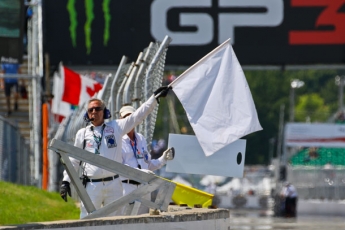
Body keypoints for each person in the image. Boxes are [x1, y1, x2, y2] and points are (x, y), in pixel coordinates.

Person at [59, 86, 171, 219]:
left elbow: (136, 117)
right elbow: (74, 160)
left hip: (114, 185)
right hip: (92, 185)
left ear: (105, 112)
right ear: (87, 114)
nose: (94, 111)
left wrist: (153, 99)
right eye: (91, 110)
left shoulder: (115, 127)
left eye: (98, 109)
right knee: (87, 220)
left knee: (115, 222)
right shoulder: (82, 134)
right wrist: (66, 182)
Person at [119, 105, 174, 214]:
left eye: (131, 117)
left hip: (144, 187)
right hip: (127, 188)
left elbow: (147, 165)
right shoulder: (118, 140)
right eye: (126, 117)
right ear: (120, 120)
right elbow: (120, 168)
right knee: (126, 222)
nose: (129, 120)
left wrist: (163, 159)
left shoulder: (141, 138)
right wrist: (142, 172)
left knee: (143, 222)